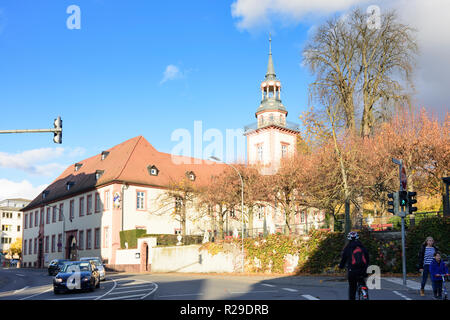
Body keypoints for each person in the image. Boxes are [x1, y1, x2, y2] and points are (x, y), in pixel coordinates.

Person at [339, 231, 370, 300]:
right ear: (357, 238)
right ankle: (364, 292)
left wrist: (341, 266)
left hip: (352, 270)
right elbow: (367, 258)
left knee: (352, 288)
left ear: (349, 239)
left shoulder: (347, 248)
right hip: (363, 270)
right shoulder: (362, 247)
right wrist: (367, 266)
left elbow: (343, 259)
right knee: (362, 282)